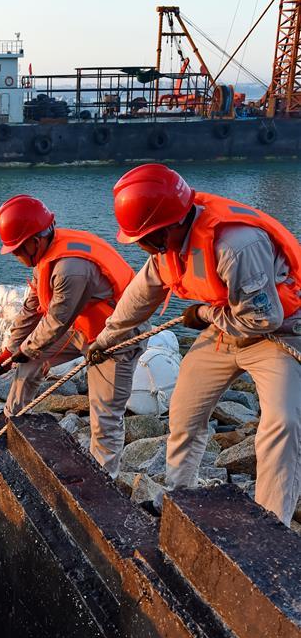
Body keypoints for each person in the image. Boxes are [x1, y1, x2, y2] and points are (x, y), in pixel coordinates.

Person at [87, 163, 301, 525]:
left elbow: (263, 320)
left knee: (281, 423)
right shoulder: (165, 248)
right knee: (184, 412)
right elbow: (140, 297)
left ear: (168, 226)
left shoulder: (237, 245)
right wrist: (107, 337)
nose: (140, 246)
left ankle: (271, 526)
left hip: (275, 335)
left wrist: (203, 315)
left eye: (144, 238)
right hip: (224, 329)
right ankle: (180, 497)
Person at [0, 195, 140, 479]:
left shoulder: (71, 268)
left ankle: (104, 480)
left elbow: (55, 322)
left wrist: (25, 350)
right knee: (27, 360)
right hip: (81, 326)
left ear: (34, 241)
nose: (15, 256)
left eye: (17, 249)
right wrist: (9, 349)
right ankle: (11, 418)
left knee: (105, 415)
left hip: (116, 338)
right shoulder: (46, 255)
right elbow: (32, 307)